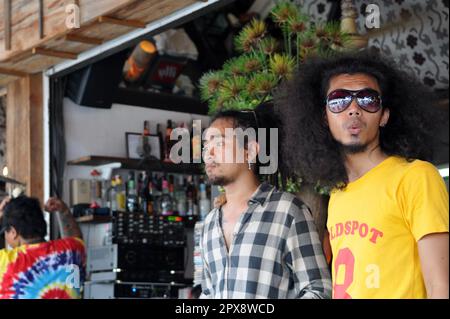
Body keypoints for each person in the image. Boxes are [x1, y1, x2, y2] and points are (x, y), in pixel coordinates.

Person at [275, 51, 449, 299]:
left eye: (368, 99)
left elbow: (441, 287)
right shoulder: (338, 194)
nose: (354, 109)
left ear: (384, 116)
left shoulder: (416, 177)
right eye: (338, 100)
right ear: (325, 118)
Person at [199, 103, 332, 299]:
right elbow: (208, 293)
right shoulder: (210, 223)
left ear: (250, 151)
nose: (208, 154)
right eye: (206, 146)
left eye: (219, 143)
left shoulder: (288, 211)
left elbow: (319, 290)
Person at [0, 195, 85, 299]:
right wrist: (63, 211)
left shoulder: (5, 263)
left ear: (13, 232)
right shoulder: (71, 252)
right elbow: (75, 239)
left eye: (5, 232)